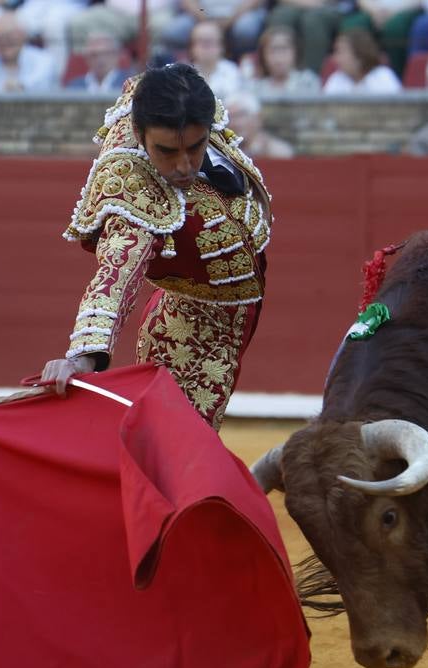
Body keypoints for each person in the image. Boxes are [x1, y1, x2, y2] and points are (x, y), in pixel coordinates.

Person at [40, 64, 275, 431]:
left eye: (195, 147)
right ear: (139, 132)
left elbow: (147, 83)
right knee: (180, 446)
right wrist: (83, 357)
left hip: (231, 310)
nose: (183, 166)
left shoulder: (171, 103)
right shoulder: (132, 187)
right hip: (192, 328)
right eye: (166, 152)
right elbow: (116, 272)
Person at [0, 11, 57, 93]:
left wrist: (19, 87)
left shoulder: (44, 60)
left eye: (9, 36)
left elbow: (42, 87)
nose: (4, 42)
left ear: (23, 34)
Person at [322, 28, 401, 93]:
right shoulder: (336, 79)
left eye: (341, 52)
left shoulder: (383, 77)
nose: (336, 58)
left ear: (359, 55)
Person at [249, 24, 321, 95]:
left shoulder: (308, 82)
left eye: (284, 49)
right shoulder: (255, 87)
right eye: (273, 51)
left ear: (295, 52)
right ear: (263, 55)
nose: (278, 58)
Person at [226, 91, 294, 158]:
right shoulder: (224, 151)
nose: (234, 123)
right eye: (230, 117)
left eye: (239, 115)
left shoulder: (279, 152)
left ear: (258, 117)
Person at [189, 19, 245, 99]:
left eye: (209, 41)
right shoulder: (184, 74)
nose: (205, 46)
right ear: (192, 47)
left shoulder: (233, 71)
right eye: (200, 41)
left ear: (222, 46)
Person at [64, 30, 133, 92]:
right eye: (94, 55)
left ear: (116, 55)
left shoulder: (131, 84)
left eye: (106, 53)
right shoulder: (74, 87)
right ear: (86, 58)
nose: (100, 59)